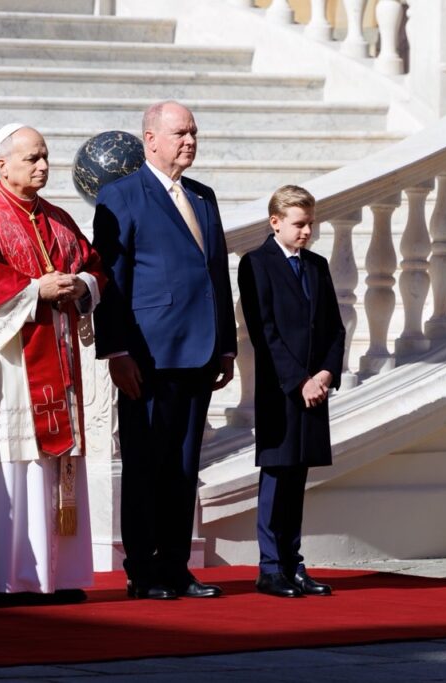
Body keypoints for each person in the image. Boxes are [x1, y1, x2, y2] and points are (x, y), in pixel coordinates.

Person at [0, 123, 105, 605]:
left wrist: (82, 286)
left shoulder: (57, 219)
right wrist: (35, 291)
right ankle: (5, 579)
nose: (43, 166)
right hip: (6, 371)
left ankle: (55, 577)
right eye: (32, 158)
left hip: (56, 363)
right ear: (2, 164)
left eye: (45, 156)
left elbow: (94, 265)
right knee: (12, 467)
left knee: (49, 467)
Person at [92, 101, 237, 600]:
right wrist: (116, 351)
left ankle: (176, 567)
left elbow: (216, 273)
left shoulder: (202, 195)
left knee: (183, 466)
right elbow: (111, 279)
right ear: (150, 140)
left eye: (193, 132)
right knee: (145, 465)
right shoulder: (121, 195)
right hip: (148, 356)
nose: (189, 141)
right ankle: (142, 570)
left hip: (200, 351)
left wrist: (226, 346)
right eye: (180, 133)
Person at [237, 185, 345, 598]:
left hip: (315, 388)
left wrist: (325, 374)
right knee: (277, 473)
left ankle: (292, 564)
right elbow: (264, 332)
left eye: (310, 224)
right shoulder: (256, 264)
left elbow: (334, 327)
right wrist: (300, 380)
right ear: (276, 222)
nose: (307, 232)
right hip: (282, 389)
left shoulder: (317, 265)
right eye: (299, 224)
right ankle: (270, 567)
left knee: (298, 476)